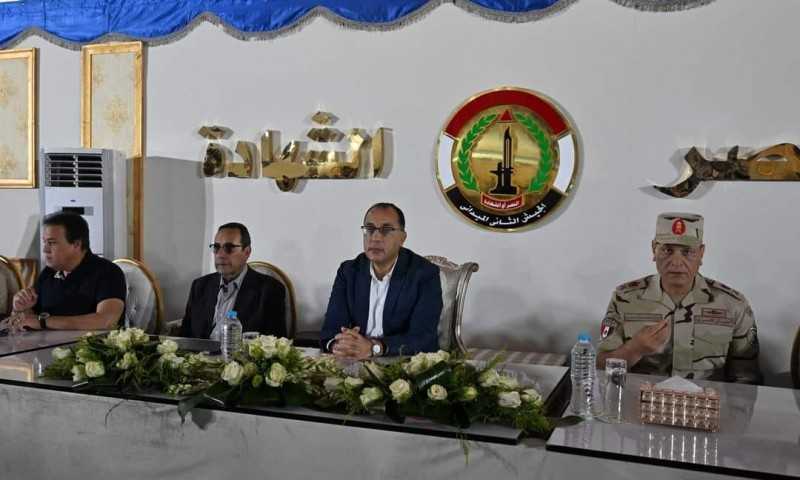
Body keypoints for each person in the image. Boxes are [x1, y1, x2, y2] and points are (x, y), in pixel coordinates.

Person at [597, 212, 762, 384]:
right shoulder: (625, 299)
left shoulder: (733, 305)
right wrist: (634, 349)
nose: (676, 262)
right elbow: (599, 367)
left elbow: (747, 379)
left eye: (687, 252)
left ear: (701, 253)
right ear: (654, 249)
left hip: (707, 399)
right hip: (642, 398)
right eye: (667, 250)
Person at [320, 202, 443, 360]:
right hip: (354, 360)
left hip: (403, 364)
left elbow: (423, 338)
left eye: (386, 230)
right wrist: (338, 345)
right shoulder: (349, 271)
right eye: (369, 229)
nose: (375, 237)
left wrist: (375, 347)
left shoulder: (424, 274)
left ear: (402, 238)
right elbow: (331, 328)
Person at [9, 212, 126, 331]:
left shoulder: (108, 272)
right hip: (46, 341)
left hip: (88, 342)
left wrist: (43, 322)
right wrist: (21, 309)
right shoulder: (48, 272)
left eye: (52, 243)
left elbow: (106, 321)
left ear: (76, 244)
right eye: (45, 242)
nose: (45, 249)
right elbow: (30, 320)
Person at [181, 222, 286, 339]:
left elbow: (274, 342)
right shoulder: (200, 285)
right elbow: (185, 334)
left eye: (229, 248)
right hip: (198, 350)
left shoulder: (270, 290)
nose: (220, 255)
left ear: (247, 252)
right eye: (216, 247)